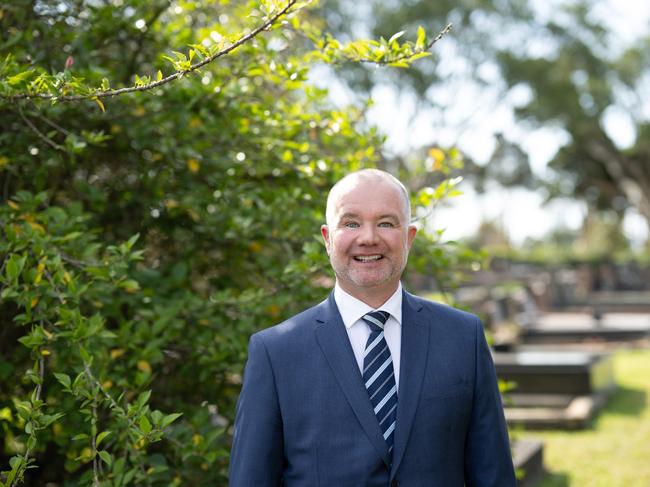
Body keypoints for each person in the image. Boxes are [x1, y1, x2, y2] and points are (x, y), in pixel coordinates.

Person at [229, 169, 516, 486]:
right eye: (351, 223)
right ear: (328, 239)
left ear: (409, 238)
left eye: (386, 223)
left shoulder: (463, 338)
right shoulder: (275, 352)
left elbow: (494, 476)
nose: (368, 237)